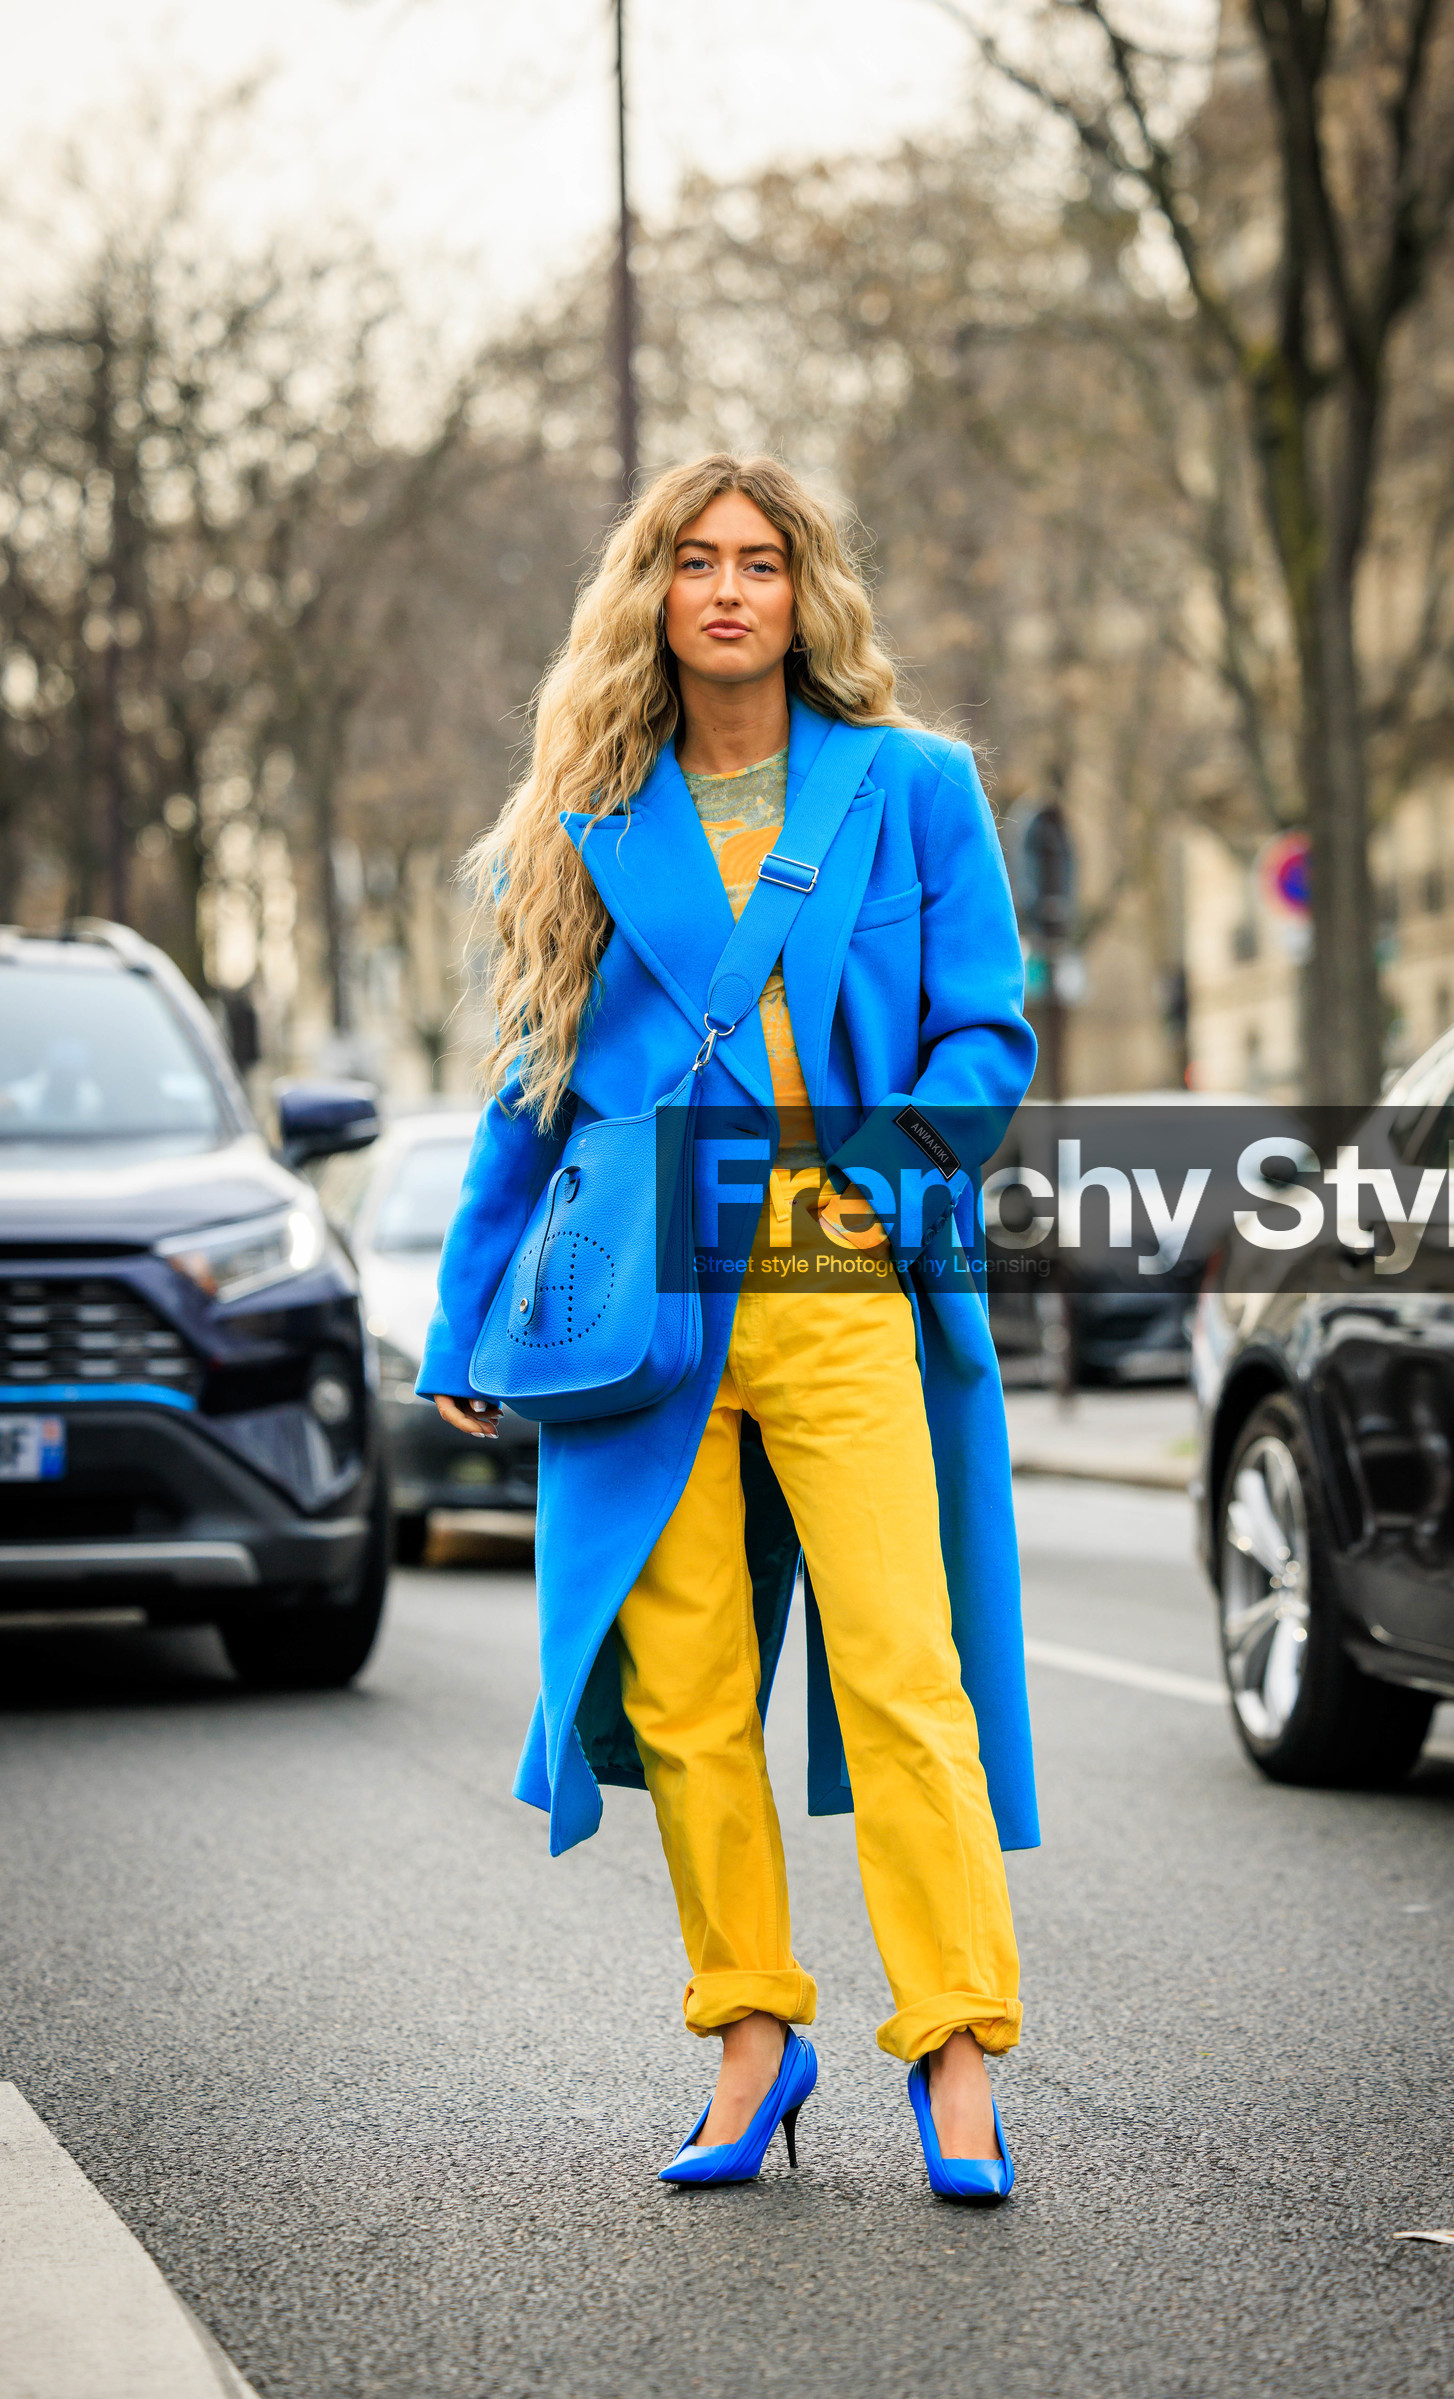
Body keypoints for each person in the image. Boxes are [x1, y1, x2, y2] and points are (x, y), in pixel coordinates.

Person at [419, 454, 1038, 2203]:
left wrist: (882, 1177)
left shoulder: (911, 790)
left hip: (839, 1277)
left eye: (760, 562)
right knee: (687, 1692)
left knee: (903, 1667)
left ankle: (958, 2048)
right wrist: (469, 1316)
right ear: (653, 595)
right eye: (694, 562)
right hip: (641, 1301)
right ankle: (751, 2038)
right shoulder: (581, 815)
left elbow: (985, 1034)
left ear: (804, 591)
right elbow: (530, 1086)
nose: (728, 590)